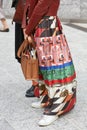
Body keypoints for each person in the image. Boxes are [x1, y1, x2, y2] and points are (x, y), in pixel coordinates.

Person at [22, 0, 77, 126]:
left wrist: (28, 29)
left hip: (46, 25)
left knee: (53, 65)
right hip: (42, 24)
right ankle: (47, 98)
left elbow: (42, 5)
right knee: (45, 66)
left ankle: (57, 107)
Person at [12, 0, 38, 97]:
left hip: (30, 14)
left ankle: (37, 84)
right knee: (25, 50)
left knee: (31, 49)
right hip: (22, 11)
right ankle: (36, 83)